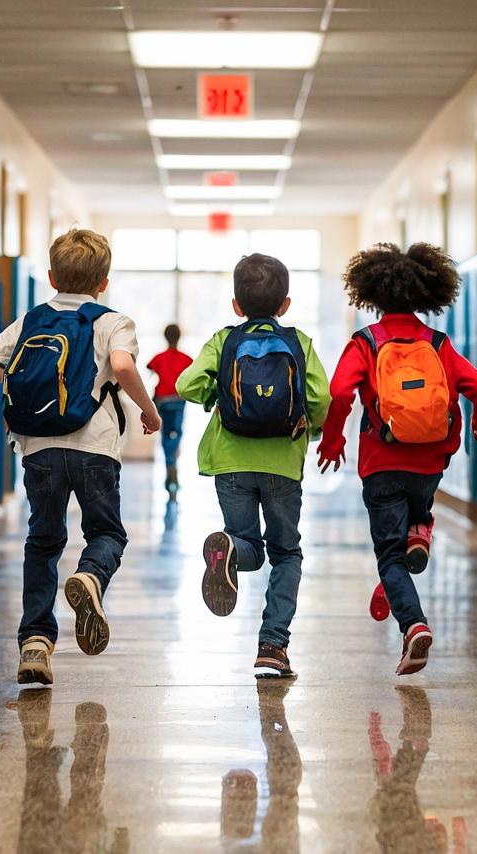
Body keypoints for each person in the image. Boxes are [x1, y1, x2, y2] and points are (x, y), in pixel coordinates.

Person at [0, 228, 161, 685]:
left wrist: (16, 382)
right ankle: (91, 576)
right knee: (107, 533)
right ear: (103, 282)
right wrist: (148, 412)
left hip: (39, 448)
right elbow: (124, 366)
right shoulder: (113, 321)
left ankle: (35, 642)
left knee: (43, 541)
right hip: (94, 448)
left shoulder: (31, 319)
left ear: (52, 276)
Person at [317, 242, 477, 676]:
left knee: (390, 556)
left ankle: (413, 625)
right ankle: (420, 530)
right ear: (422, 293)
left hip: (382, 462)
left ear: (372, 296)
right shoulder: (438, 343)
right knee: (418, 513)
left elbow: (340, 392)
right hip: (430, 463)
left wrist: (333, 437)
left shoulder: (366, 343)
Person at [176, 253, 330, 678]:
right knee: (286, 554)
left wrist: (217, 397)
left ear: (236, 305)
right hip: (283, 463)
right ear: (285, 305)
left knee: (248, 543)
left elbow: (185, 384)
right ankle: (273, 646)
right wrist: (308, 429)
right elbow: (321, 398)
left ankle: (229, 551)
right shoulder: (299, 342)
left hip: (230, 459)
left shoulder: (224, 340)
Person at [147, 324, 193, 494]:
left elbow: (149, 369)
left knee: (165, 433)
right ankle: (173, 462)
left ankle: (169, 464)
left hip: (162, 401)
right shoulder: (186, 359)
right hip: (179, 400)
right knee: (177, 433)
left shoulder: (159, 358)